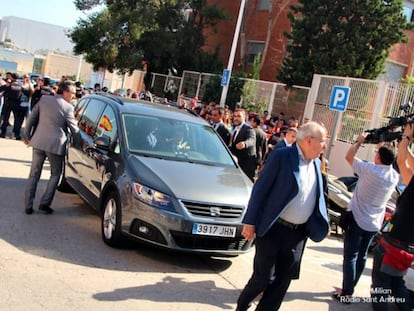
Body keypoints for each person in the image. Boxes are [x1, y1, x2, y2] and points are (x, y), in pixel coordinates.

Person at [236, 121, 330, 311]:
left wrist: (322, 221)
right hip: (273, 228)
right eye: (323, 141)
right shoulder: (282, 156)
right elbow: (260, 189)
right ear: (309, 140)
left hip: (297, 235)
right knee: (263, 277)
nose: (325, 146)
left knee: (282, 282)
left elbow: (319, 196)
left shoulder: (317, 164)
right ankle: (243, 304)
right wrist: (250, 222)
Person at [333, 135, 399, 303]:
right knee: (362, 256)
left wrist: (360, 141)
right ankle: (349, 288)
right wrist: (383, 146)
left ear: (377, 157)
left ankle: (346, 292)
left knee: (350, 256)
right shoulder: (393, 177)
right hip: (374, 223)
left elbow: (348, 156)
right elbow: (386, 161)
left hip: (357, 218)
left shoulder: (369, 169)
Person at [370, 124, 414, 311]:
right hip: (407, 247)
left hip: (392, 245)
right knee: (397, 286)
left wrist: (407, 136)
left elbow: (403, 157)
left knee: (380, 288)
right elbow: (404, 159)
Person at [23, 81, 81, 215]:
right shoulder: (68, 107)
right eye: (72, 93)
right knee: (55, 174)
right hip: (55, 145)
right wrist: (78, 144)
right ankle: (44, 203)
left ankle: (28, 205)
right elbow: (74, 129)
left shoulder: (44, 99)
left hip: (38, 141)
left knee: (34, 174)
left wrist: (27, 135)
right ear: (65, 92)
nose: (73, 96)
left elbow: (31, 117)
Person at [229, 109, 256, 182]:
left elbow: (251, 140)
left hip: (245, 165)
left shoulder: (248, 129)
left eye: (238, 116)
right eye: (234, 116)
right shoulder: (235, 129)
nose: (236, 118)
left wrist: (245, 144)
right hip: (236, 165)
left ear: (244, 117)